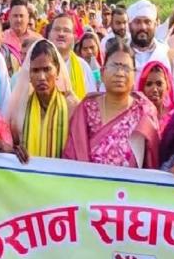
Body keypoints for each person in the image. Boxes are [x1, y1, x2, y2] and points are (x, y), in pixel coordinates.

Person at [63, 40, 159, 168]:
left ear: (134, 75)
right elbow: (72, 153)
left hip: (129, 181)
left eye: (126, 68)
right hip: (85, 179)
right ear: (102, 73)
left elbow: (152, 161)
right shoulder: (87, 108)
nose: (120, 73)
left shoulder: (144, 112)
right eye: (114, 66)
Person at [7, 39, 78, 160]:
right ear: (29, 75)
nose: (41, 77)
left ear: (57, 71)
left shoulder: (72, 107)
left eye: (47, 69)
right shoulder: (21, 108)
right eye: (35, 70)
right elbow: (14, 146)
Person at [128, 0, 174, 100]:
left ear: (155, 25)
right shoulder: (118, 54)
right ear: (129, 25)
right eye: (137, 22)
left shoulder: (168, 55)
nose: (143, 27)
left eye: (147, 22)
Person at [47, 13, 96, 100]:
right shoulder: (38, 64)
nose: (61, 34)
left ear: (74, 37)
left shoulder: (82, 66)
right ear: (49, 34)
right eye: (57, 29)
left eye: (66, 30)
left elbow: (91, 101)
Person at [136, 61, 174, 133]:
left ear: (167, 86)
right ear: (142, 89)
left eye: (159, 84)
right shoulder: (136, 116)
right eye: (149, 84)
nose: (154, 89)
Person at [2, 0, 39, 64]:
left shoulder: (37, 40)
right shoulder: (2, 39)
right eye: (15, 16)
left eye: (21, 16)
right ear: (9, 17)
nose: (18, 20)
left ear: (28, 17)